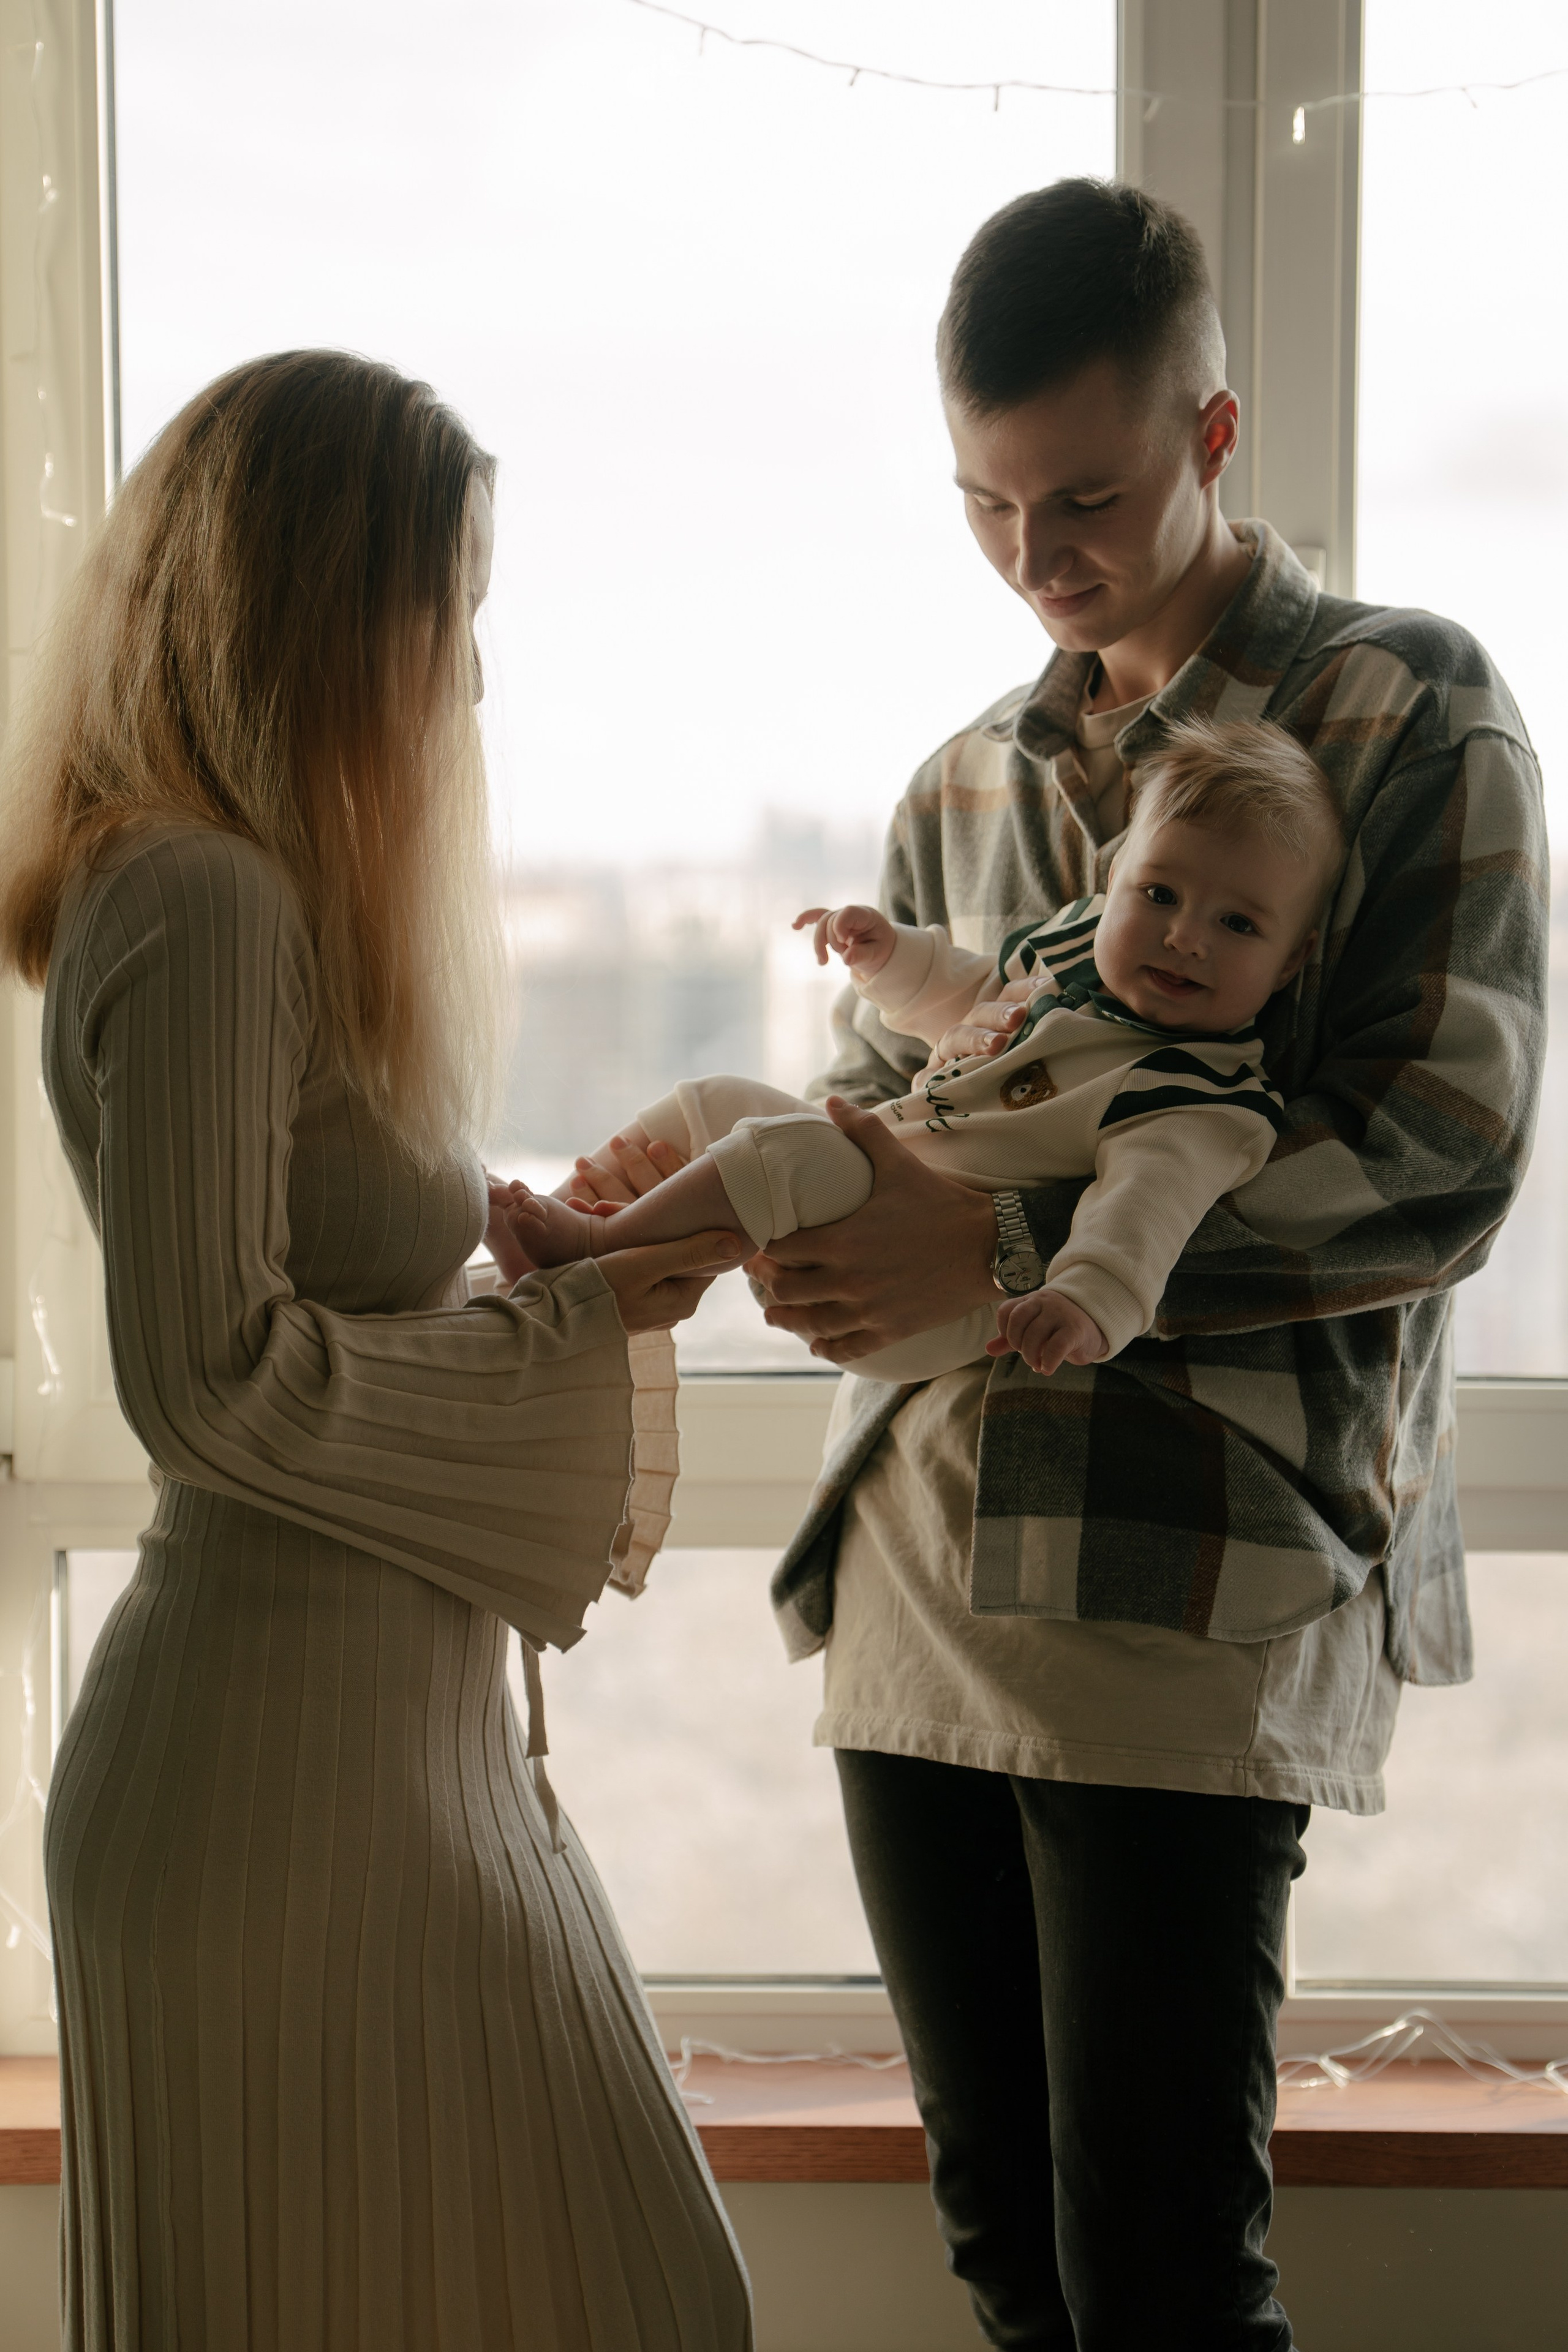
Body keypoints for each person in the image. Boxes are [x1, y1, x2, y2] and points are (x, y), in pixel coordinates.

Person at [741, 178, 1545, 2347]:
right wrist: (789, 1221)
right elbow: (879, 1131)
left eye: (1085, 498)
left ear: (1212, 434)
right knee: (1007, 2256)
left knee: (1165, 2278)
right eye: (986, 505)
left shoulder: (1409, 711)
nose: (1036, 557)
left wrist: (1003, 1234)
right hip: (915, 1568)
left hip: (1192, 1585)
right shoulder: (960, 786)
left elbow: (1444, 1160)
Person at [0, 352, 753, 2351]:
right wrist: (584, 1322)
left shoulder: (235, 903)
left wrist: (521, 1272)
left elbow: (293, 1314)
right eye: (452, 616)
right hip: (284, 1798)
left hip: (387, 1765)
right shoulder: (201, 897)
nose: (476, 681)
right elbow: (207, 1382)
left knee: (651, 2298)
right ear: (324, 611)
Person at [493, 718, 1341, 1395]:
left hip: (926, 1304)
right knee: (714, 1100)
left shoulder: (1197, 1092)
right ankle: (579, 1231)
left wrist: (1086, 1303)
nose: (1186, 936)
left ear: (1292, 961)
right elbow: (969, 1005)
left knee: (789, 1148)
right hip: (874, 1184)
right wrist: (889, 957)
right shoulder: (1070, 959)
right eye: (1160, 894)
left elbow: (1146, 1210)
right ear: (1113, 880)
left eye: (1238, 924)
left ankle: (588, 1248)